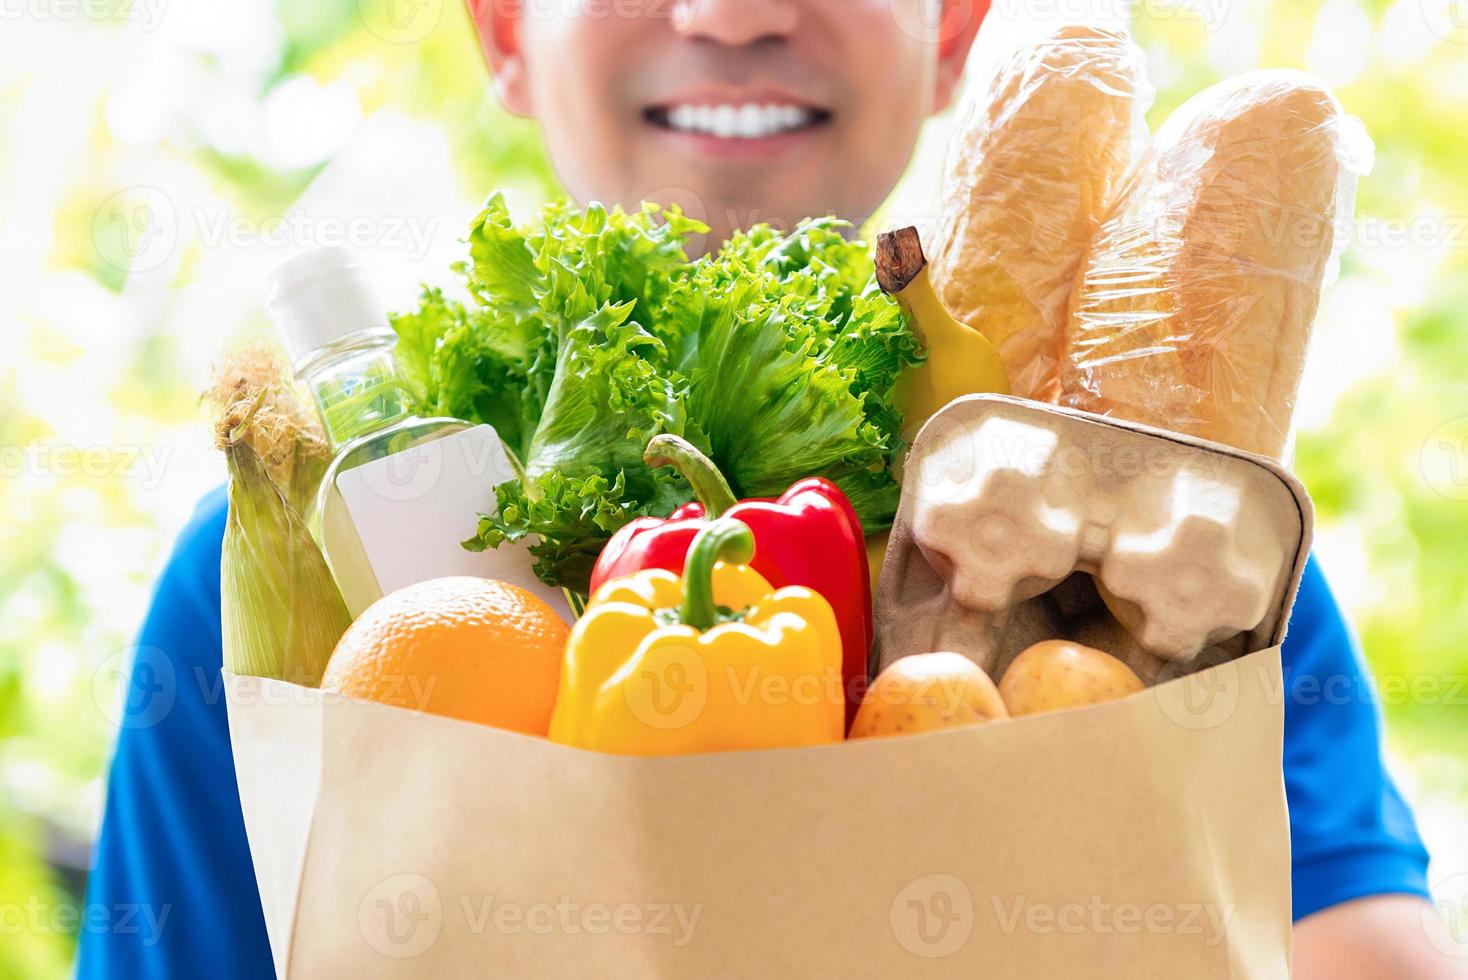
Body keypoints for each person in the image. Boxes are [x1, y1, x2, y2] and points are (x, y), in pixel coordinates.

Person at [79, 2, 1464, 977]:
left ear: (952, 24)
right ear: (507, 29)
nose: (733, 11)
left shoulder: (1153, 549)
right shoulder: (300, 570)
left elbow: (1361, 945)